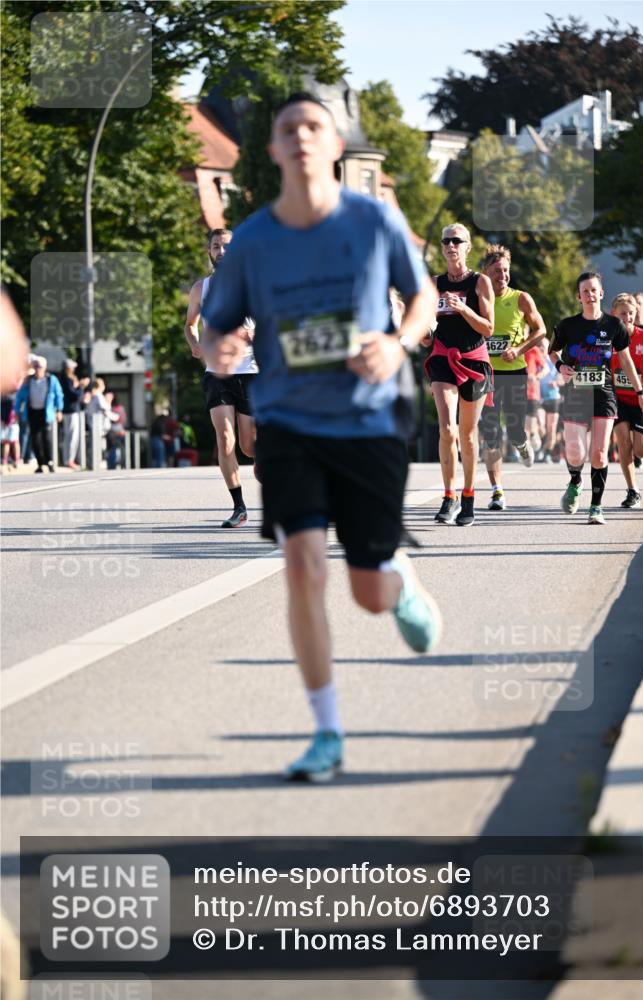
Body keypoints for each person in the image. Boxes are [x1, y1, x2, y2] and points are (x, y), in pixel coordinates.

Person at [201, 91, 441, 782]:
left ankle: (397, 576)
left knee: (366, 592)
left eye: (314, 126)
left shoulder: (374, 221)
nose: (301, 136)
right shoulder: (251, 241)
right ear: (272, 149)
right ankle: (326, 730)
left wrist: (397, 344)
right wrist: (220, 347)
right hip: (288, 420)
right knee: (302, 566)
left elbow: (421, 297)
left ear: (334, 146)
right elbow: (217, 326)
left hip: (367, 419)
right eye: (287, 128)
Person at [550, 273, 643, 525]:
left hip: (604, 393)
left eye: (593, 290)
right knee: (575, 452)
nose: (589, 295)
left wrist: (641, 394)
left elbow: (626, 361)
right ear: (579, 296)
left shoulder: (613, 326)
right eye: (584, 291)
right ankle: (575, 480)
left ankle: (596, 507)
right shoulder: (567, 325)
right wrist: (560, 366)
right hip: (575, 393)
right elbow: (552, 351)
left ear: (601, 293)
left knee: (598, 453)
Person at [185, 228, 258, 527]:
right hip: (216, 373)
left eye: (227, 246)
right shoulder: (201, 288)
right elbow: (191, 323)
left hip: (251, 373)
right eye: (216, 247)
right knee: (224, 439)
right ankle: (239, 506)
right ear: (210, 253)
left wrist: (255, 334)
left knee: (249, 447)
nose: (221, 252)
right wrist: (195, 344)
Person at [426, 223, 494, 526]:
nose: (451, 245)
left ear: (467, 247)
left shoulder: (480, 283)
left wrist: (463, 309)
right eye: (446, 241)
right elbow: (426, 335)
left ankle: (468, 496)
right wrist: (427, 326)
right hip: (443, 359)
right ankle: (448, 495)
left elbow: (488, 328)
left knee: (467, 435)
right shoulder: (433, 284)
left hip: (474, 362)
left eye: (457, 241)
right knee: (447, 429)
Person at [479, 245, 547, 510]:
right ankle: (497, 490)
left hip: (515, 372)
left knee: (515, 428)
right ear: (485, 272)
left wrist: (518, 349)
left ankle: (521, 442)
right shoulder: (478, 298)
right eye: (497, 271)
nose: (502, 276)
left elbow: (540, 330)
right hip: (486, 374)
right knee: (491, 433)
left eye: (505, 271)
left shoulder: (521, 298)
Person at [609, 294, 643, 508]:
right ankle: (633, 491)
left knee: (641, 451)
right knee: (623, 443)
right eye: (623, 313)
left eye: (631, 313)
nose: (628, 317)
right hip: (618, 398)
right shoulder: (608, 337)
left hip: (641, 400)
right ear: (614, 314)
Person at [15, 357, 63, 472]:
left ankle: (49, 461)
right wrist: (17, 411)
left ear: (44, 368)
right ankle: (40, 463)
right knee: (35, 438)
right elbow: (20, 396)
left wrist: (59, 410)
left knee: (47, 437)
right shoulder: (28, 380)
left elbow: (59, 395)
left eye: (39, 366)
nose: (37, 369)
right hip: (32, 411)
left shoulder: (51, 380)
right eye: (35, 366)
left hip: (46, 412)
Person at [58, 358, 88, 469]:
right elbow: (73, 395)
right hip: (69, 411)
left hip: (73, 410)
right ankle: (68, 460)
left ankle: (70, 459)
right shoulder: (66, 379)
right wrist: (81, 386)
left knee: (73, 436)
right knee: (71, 436)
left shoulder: (68, 379)